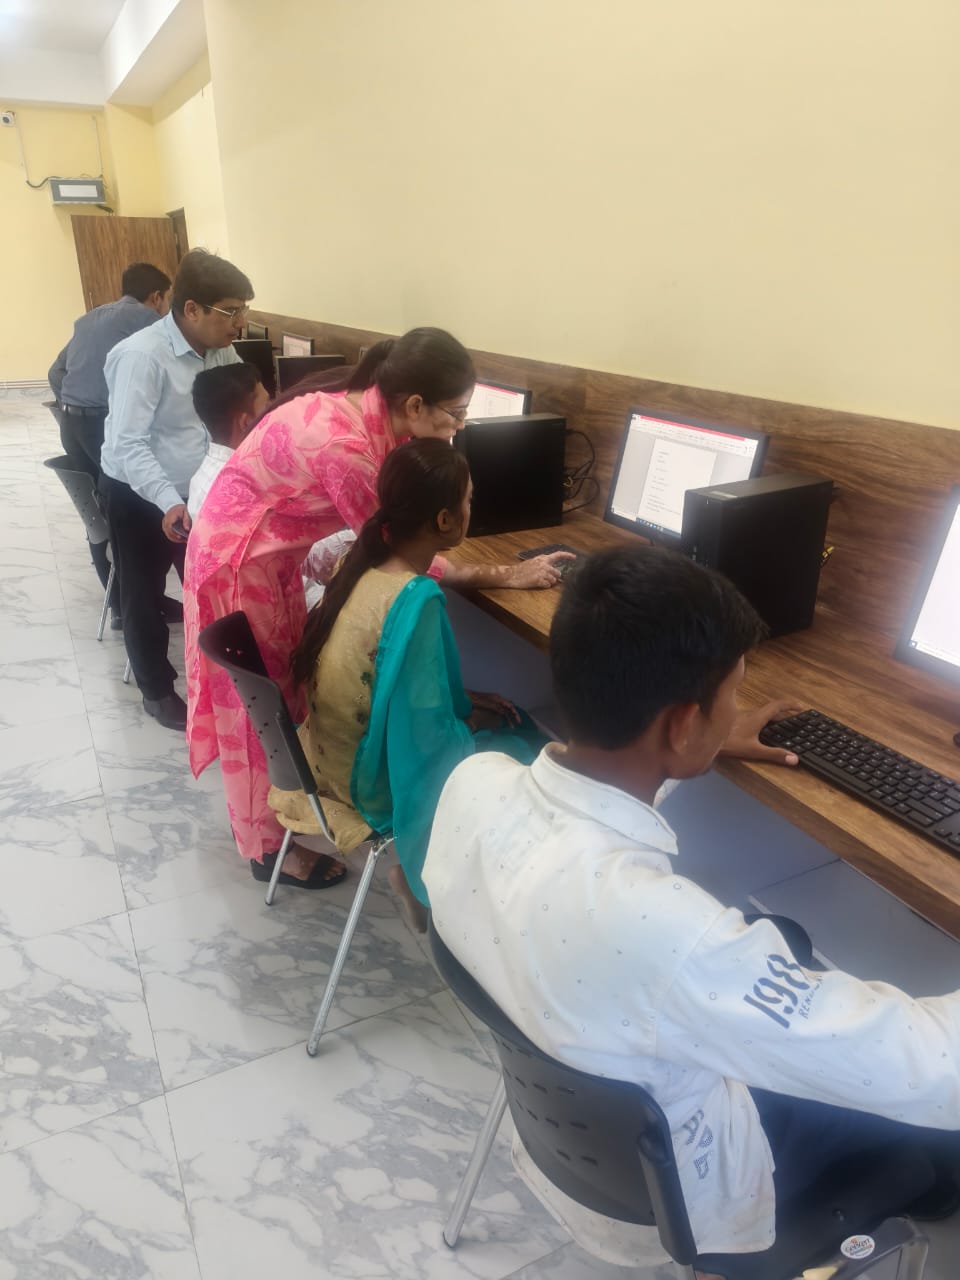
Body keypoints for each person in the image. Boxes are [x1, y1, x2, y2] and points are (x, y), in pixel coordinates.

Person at [423, 546, 960, 1267]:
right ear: (678, 724)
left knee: (782, 935)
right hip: (679, 1196)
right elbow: (930, 1064)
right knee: (935, 1126)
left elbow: (586, 817)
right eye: (732, 697)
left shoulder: (474, 783)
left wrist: (704, 746)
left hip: (566, 1133)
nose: (737, 709)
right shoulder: (673, 933)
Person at [184, 327, 572, 881]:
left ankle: (280, 819)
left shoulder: (355, 414)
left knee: (276, 692)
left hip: (257, 557)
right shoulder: (344, 448)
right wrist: (503, 574)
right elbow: (403, 543)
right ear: (413, 405)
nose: (460, 427)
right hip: (239, 565)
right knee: (258, 711)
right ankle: (269, 851)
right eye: (456, 413)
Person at [269, 438, 544, 909]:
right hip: (368, 787)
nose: (472, 508)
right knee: (524, 738)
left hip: (321, 762)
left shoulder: (355, 563)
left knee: (493, 715)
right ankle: (465, 893)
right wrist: (472, 719)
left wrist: (459, 699)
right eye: (469, 500)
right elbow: (427, 744)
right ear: (445, 521)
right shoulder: (416, 599)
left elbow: (390, 682)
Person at [100, 248, 253, 731]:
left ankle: (225, 679)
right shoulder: (142, 356)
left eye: (244, 310)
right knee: (143, 593)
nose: (241, 323)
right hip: (139, 493)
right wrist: (168, 500)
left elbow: (238, 407)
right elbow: (127, 443)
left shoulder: (221, 349)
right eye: (232, 311)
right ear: (192, 310)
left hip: (199, 490)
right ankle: (157, 690)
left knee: (208, 584)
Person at [48, 262, 172, 620]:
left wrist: (74, 404)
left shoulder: (88, 319)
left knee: (99, 514)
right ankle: (141, 604)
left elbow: (55, 372)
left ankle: (118, 603)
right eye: (168, 300)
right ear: (156, 297)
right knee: (134, 511)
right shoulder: (148, 321)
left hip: (71, 425)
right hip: (102, 427)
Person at [187, 364, 269, 520]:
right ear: (246, 423)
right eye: (267, 406)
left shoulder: (206, 471)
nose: (275, 412)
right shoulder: (239, 490)